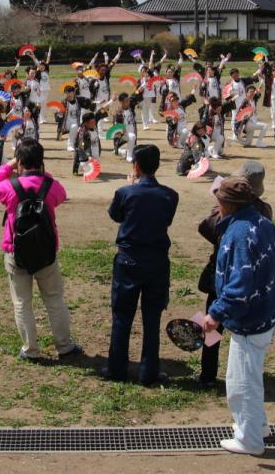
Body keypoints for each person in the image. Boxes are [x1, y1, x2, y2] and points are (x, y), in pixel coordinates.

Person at [200, 176, 275, 457]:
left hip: (250, 318)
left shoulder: (238, 234)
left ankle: (249, 439)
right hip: (268, 307)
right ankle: (257, 425)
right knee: (251, 375)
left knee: (240, 383)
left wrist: (215, 314)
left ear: (224, 204)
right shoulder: (263, 223)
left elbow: (239, 286)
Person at [0, 138, 84, 362]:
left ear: (20, 162)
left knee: (22, 302)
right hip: (46, 252)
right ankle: (64, 346)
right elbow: (61, 195)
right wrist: (44, 175)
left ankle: (30, 350)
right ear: (42, 161)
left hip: (15, 252)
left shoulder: (10, 187)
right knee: (54, 299)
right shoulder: (51, 186)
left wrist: (7, 168)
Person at [103, 144, 179, 385]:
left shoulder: (125, 192)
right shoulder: (170, 195)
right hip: (156, 261)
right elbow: (166, 219)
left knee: (122, 316)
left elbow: (116, 215)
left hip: (128, 259)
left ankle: (117, 369)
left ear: (136, 166)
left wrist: (132, 186)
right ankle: (148, 372)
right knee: (152, 318)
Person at [196, 161, 272, 388]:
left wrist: (219, 206)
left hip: (222, 278)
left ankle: (208, 375)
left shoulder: (226, 216)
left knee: (212, 328)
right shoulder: (264, 210)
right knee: (248, 333)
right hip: (254, 282)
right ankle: (247, 375)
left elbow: (206, 227)